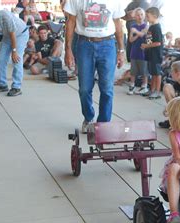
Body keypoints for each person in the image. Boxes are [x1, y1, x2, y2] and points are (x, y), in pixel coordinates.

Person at [64, 0, 125, 133]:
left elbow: (117, 23)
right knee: (84, 88)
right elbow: (70, 22)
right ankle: (88, 118)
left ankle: (103, 124)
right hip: (84, 44)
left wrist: (121, 50)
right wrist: (68, 49)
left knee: (107, 89)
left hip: (108, 44)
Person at [141, 6, 163, 100]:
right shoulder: (151, 26)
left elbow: (158, 42)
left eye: (148, 16)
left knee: (157, 73)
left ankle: (157, 92)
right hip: (150, 54)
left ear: (154, 16)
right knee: (152, 73)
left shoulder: (157, 27)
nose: (146, 18)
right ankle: (152, 89)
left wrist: (146, 46)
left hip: (156, 54)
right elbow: (150, 40)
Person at [127, 7, 149, 95]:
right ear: (134, 16)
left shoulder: (147, 26)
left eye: (141, 14)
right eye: (137, 15)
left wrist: (136, 32)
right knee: (133, 70)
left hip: (143, 51)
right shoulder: (133, 26)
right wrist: (136, 34)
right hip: (134, 51)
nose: (140, 16)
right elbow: (131, 40)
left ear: (144, 16)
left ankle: (144, 86)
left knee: (144, 70)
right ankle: (132, 85)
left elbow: (145, 35)